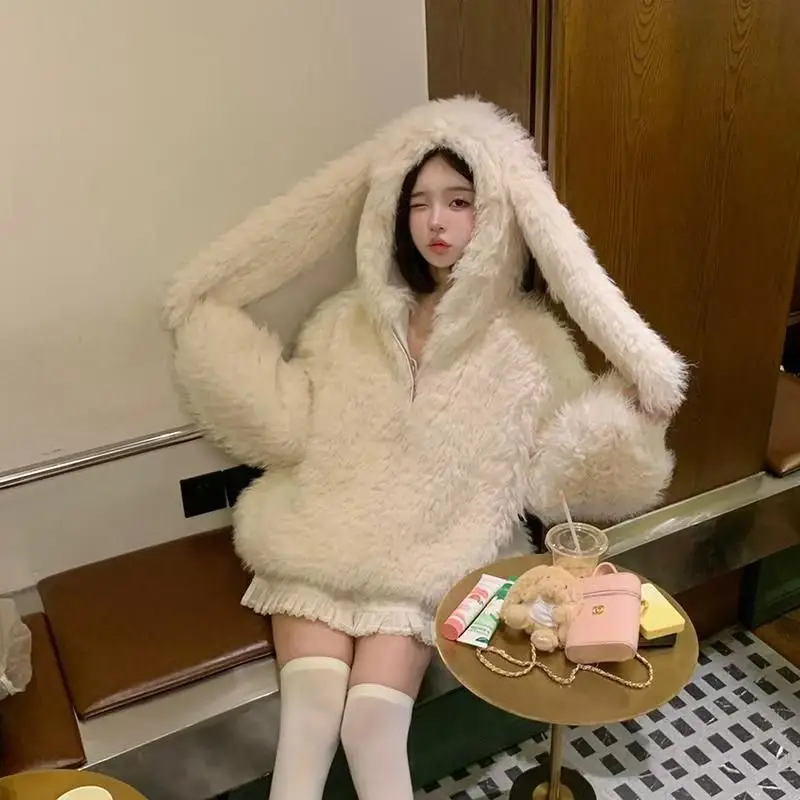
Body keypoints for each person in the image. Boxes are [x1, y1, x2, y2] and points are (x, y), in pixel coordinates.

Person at [163, 98, 686, 800]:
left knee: (370, 726)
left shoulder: (530, 344)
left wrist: (633, 417)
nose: (436, 221)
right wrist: (215, 340)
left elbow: (559, 479)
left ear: (494, 213)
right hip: (320, 534)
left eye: (459, 201)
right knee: (309, 716)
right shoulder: (347, 321)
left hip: (431, 556)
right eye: (419, 203)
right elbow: (291, 426)